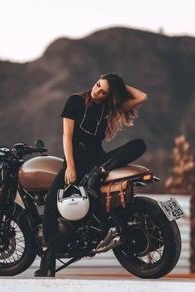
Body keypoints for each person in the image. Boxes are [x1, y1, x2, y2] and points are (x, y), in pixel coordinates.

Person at [34, 73, 147, 277]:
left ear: (110, 95)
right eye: (97, 85)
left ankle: (99, 173)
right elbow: (66, 137)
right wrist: (70, 167)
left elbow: (142, 97)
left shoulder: (108, 108)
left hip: (99, 162)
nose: (97, 91)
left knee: (139, 144)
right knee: (51, 202)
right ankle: (47, 258)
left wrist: (118, 86)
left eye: (104, 91)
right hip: (75, 162)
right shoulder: (75, 101)